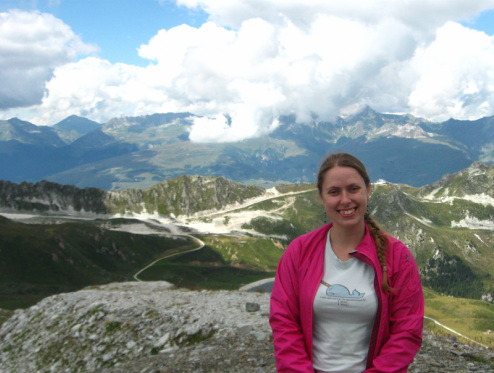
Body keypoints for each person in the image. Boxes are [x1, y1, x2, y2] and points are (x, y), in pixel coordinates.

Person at [269, 152, 424, 373]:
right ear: (322, 198)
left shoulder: (397, 256)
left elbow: (407, 331)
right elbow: (283, 322)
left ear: (368, 190)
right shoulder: (299, 251)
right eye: (334, 192)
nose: (345, 200)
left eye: (353, 189)